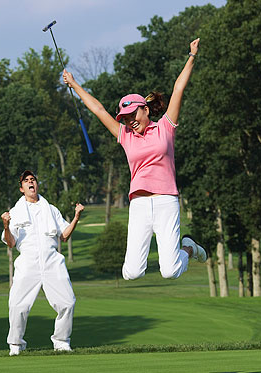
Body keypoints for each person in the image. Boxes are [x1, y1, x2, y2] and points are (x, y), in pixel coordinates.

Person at [62, 38, 206, 282]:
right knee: (131, 273)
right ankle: (185, 249)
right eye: (125, 118)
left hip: (166, 202)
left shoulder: (165, 127)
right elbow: (98, 110)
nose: (130, 121)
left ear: (145, 110)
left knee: (170, 271)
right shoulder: (125, 136)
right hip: (139, 205)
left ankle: (189, 248)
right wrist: (74, 84)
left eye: (133, 115)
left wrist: (191, 56)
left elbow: (178, 89)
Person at [1, 170, 84, 356]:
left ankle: (61, 342)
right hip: (27, 262)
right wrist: (6, 226)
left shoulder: (51, 209)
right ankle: (16, 345)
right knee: (17, 305)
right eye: (26, 181)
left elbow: (64, 236)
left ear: (36, 184)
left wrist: (76, 217)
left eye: (33, 179)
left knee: (67, 302)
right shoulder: (15, 212)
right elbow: (11, 242)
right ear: (21, 188)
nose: (31, 182)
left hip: (52, 261)